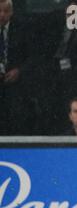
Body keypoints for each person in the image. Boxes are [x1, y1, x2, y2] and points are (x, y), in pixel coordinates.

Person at [30, 0, 77, 135]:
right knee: (48, 109)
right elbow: (39, 47)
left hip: (72, 73)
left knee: (69, 104)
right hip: (49, 70)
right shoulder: (52, 20)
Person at [0, 0, 30, 135]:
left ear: (11, 12)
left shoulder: (22, 29)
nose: (2, 15)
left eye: (6, 11)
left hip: (16, 83)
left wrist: (19, 71)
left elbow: (32, 57)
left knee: (16, 114)